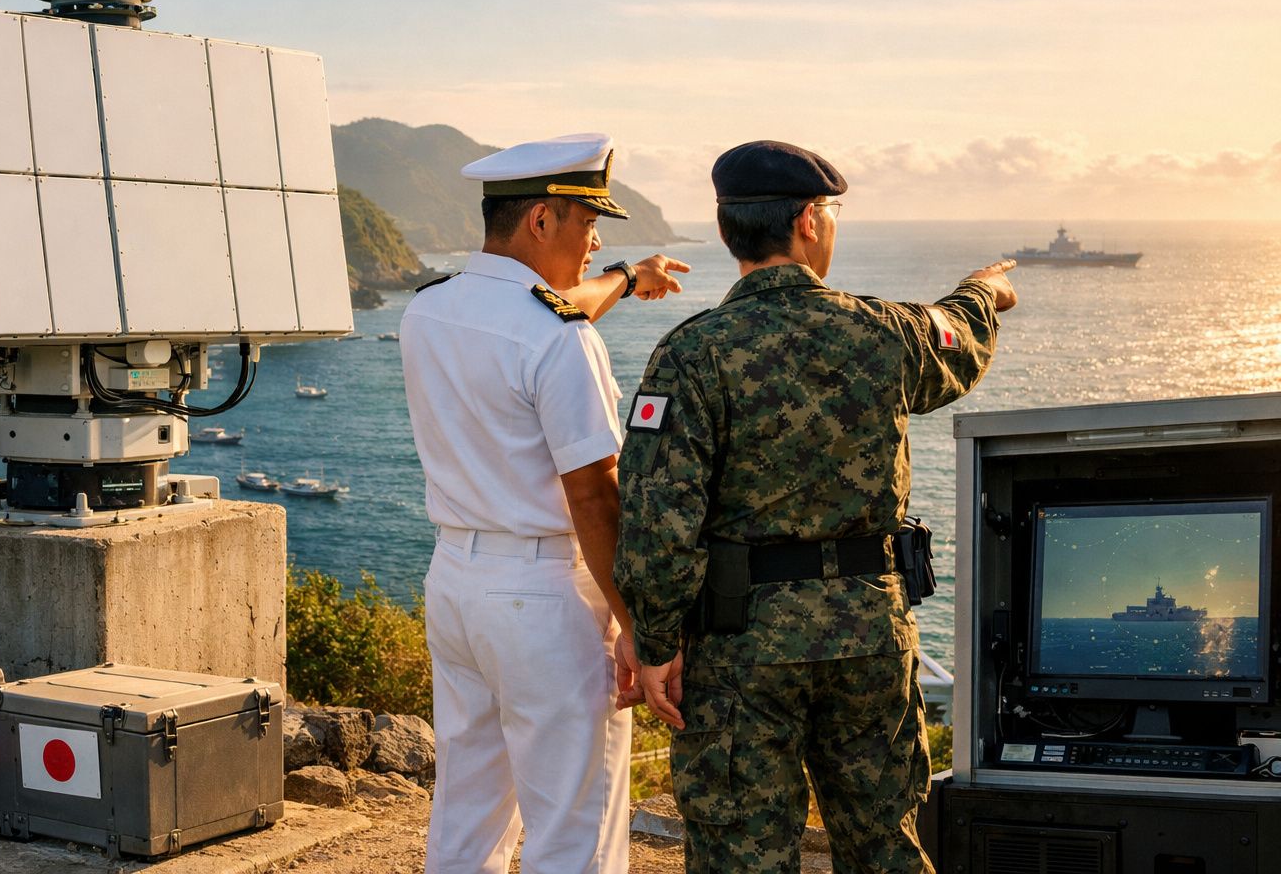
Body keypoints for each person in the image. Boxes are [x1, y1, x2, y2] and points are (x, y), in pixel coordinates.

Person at [614, 140, 1019, 874]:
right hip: (868, 634)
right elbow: (954, 335)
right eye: (830, 212)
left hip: (740, 648)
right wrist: (983, 292)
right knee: (883, 848)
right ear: (808, 221)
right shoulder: (883, 331)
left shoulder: (691, 353)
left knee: (741, 857)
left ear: (729, 229)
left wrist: (657, 641)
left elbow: (656, 516)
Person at [400, 132, 689, 874]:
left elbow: (545, 312)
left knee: (467, 813)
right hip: (544, 599)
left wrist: (628, 278)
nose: (596, 242)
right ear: (540, 220)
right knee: (574, 830)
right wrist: (639, 627)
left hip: (456, 584)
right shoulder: (561, 339)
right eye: (588, 224)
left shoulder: (428, 310)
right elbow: (594, 496)